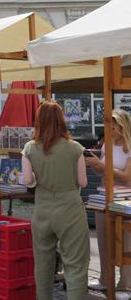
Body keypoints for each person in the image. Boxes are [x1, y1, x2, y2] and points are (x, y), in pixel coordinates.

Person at [22, 101, 89, 300]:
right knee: (76, 265)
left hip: (42, 209)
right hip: (70, 208)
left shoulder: (30, 148)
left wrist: (38, 177)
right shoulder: (75, 148)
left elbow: (27, 180)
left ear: (38, 121)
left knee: (42, 263)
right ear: (62, 120)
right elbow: (83, 182)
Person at [86, 109, 131, 296]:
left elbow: (128, 178)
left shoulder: (129, 147)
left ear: (122, 127)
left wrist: (104, 167)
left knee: (125, 241)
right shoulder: (107, 145)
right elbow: (103, 173)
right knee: (103, 237)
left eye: (113, 128)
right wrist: (96, 166)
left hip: (124, 200)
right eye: (108, 128)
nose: (110, 131)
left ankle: (126, 281)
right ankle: (105, 277)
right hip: (103, 197)